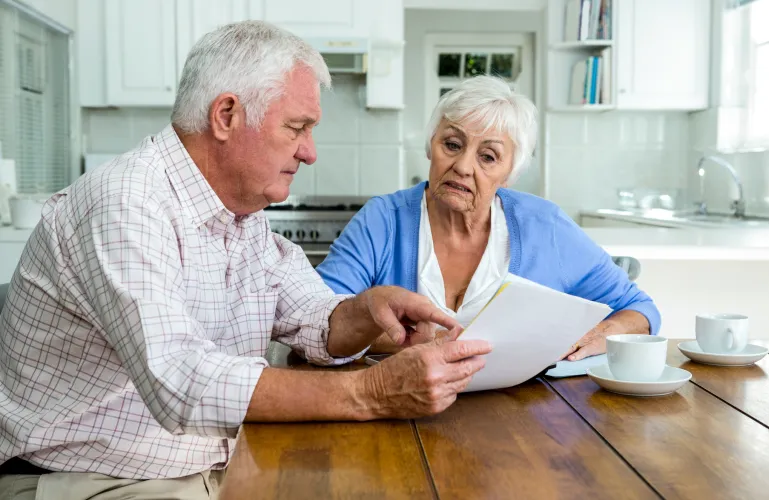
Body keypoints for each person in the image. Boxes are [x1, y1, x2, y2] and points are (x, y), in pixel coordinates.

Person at [0, 21, 492, 499]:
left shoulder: (240, 212)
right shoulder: (125, 201)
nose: (310, 153)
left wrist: (367, 312)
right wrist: (371, 393)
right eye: (297, 128)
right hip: (94, 480)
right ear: (226, 115)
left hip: (212, 466)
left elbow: (313, 319)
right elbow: (181, 381)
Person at [316, 76, 660, 358]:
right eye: (452, 145)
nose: (463, 167)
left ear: (509, 173)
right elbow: (318, 320)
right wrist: (418, 343)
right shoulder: (383, 220)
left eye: (488, 157)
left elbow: (639, 310)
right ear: (430, 145)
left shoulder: (545, 226)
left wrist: (596, 335)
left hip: (521, 420)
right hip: (400, 413)